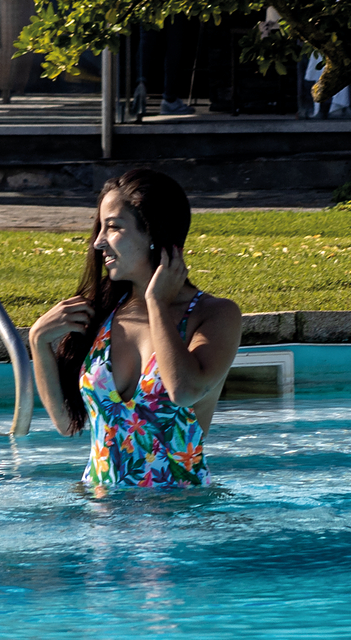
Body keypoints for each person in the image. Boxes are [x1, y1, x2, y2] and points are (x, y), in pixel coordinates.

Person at [29, 166, 245, 491]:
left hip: (180, 523)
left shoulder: (215, 315)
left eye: (113, 227)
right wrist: (38, 342)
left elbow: (184, 391)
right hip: (100, 521)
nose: (99, 242)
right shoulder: (99, 314)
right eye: (100, 228)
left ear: (154, 234)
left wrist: (156, 302)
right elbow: (64, 423)